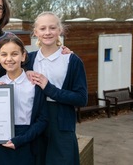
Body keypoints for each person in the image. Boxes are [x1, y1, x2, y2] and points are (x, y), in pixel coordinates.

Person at [27, 11, 88, 165]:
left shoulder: (72, 60)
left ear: (60, 30)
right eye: (42, 28)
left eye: (52, 28)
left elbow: (81, 98)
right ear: (35, 33)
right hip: (35, 121)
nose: (47, 32)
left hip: (62, 124)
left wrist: (49, 88)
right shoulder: (29, 59)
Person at [0, 36, 48, 165]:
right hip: (0, 143)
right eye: (4, 54)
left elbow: (43, 119)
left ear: (23, 56)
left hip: (28, 141)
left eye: (14, 54)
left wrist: (22, 139)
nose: (9, 59)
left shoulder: (34, 84)